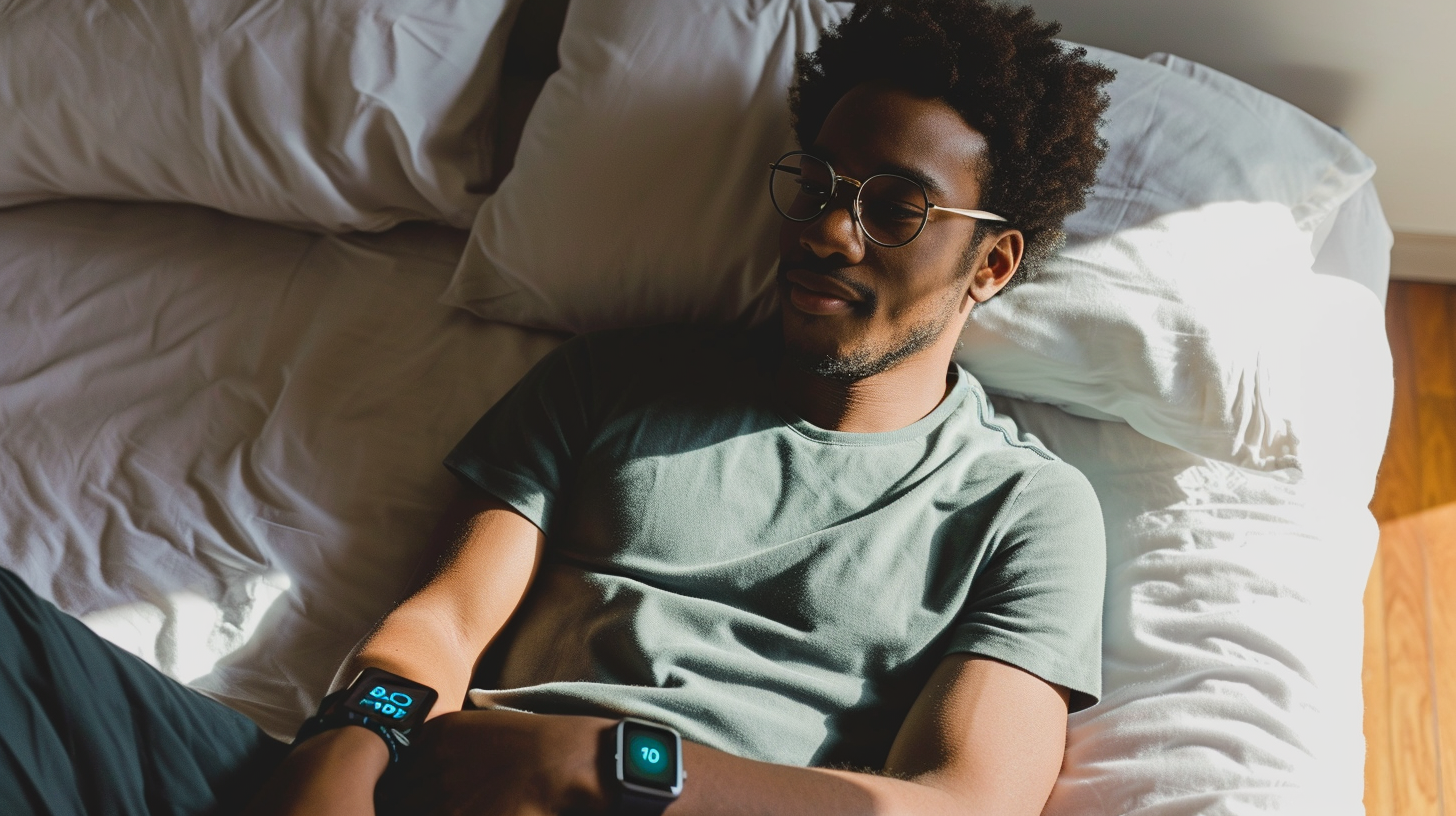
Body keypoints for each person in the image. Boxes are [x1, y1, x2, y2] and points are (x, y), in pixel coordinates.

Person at [0, 1, 1116, 814]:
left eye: (896, 208)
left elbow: (964, 804)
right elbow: (443, 620)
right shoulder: (614, 381)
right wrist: (344, 751)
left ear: (992, 263)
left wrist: (610, 764)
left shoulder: (1024, 507)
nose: (831, 230)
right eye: (820, 186)